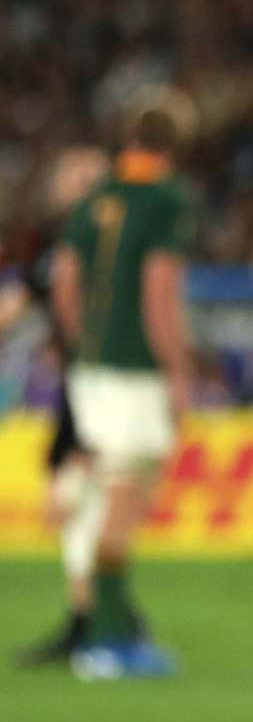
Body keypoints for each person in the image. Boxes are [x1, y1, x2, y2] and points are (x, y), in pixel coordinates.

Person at [48, 96, 200, 681]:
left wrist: (84, 345)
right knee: (125, 496)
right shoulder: (166, 200)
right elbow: (160, 287)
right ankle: (108, 640)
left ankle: (100, 627)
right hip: (136, 369)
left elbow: (65, 279)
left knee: (102, 488)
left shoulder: (96, 198)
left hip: (90, 369)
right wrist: (178, 369)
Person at [7, 145, 114, 667]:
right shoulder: (56, 251)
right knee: (76, 507)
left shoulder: (112, 250)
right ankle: (94, 618)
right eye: (70, 176)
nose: (75, 185)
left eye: (87, 176)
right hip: (79, 389)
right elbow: (16, 304)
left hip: (104, 390)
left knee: (77, 498)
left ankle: (98, 621)